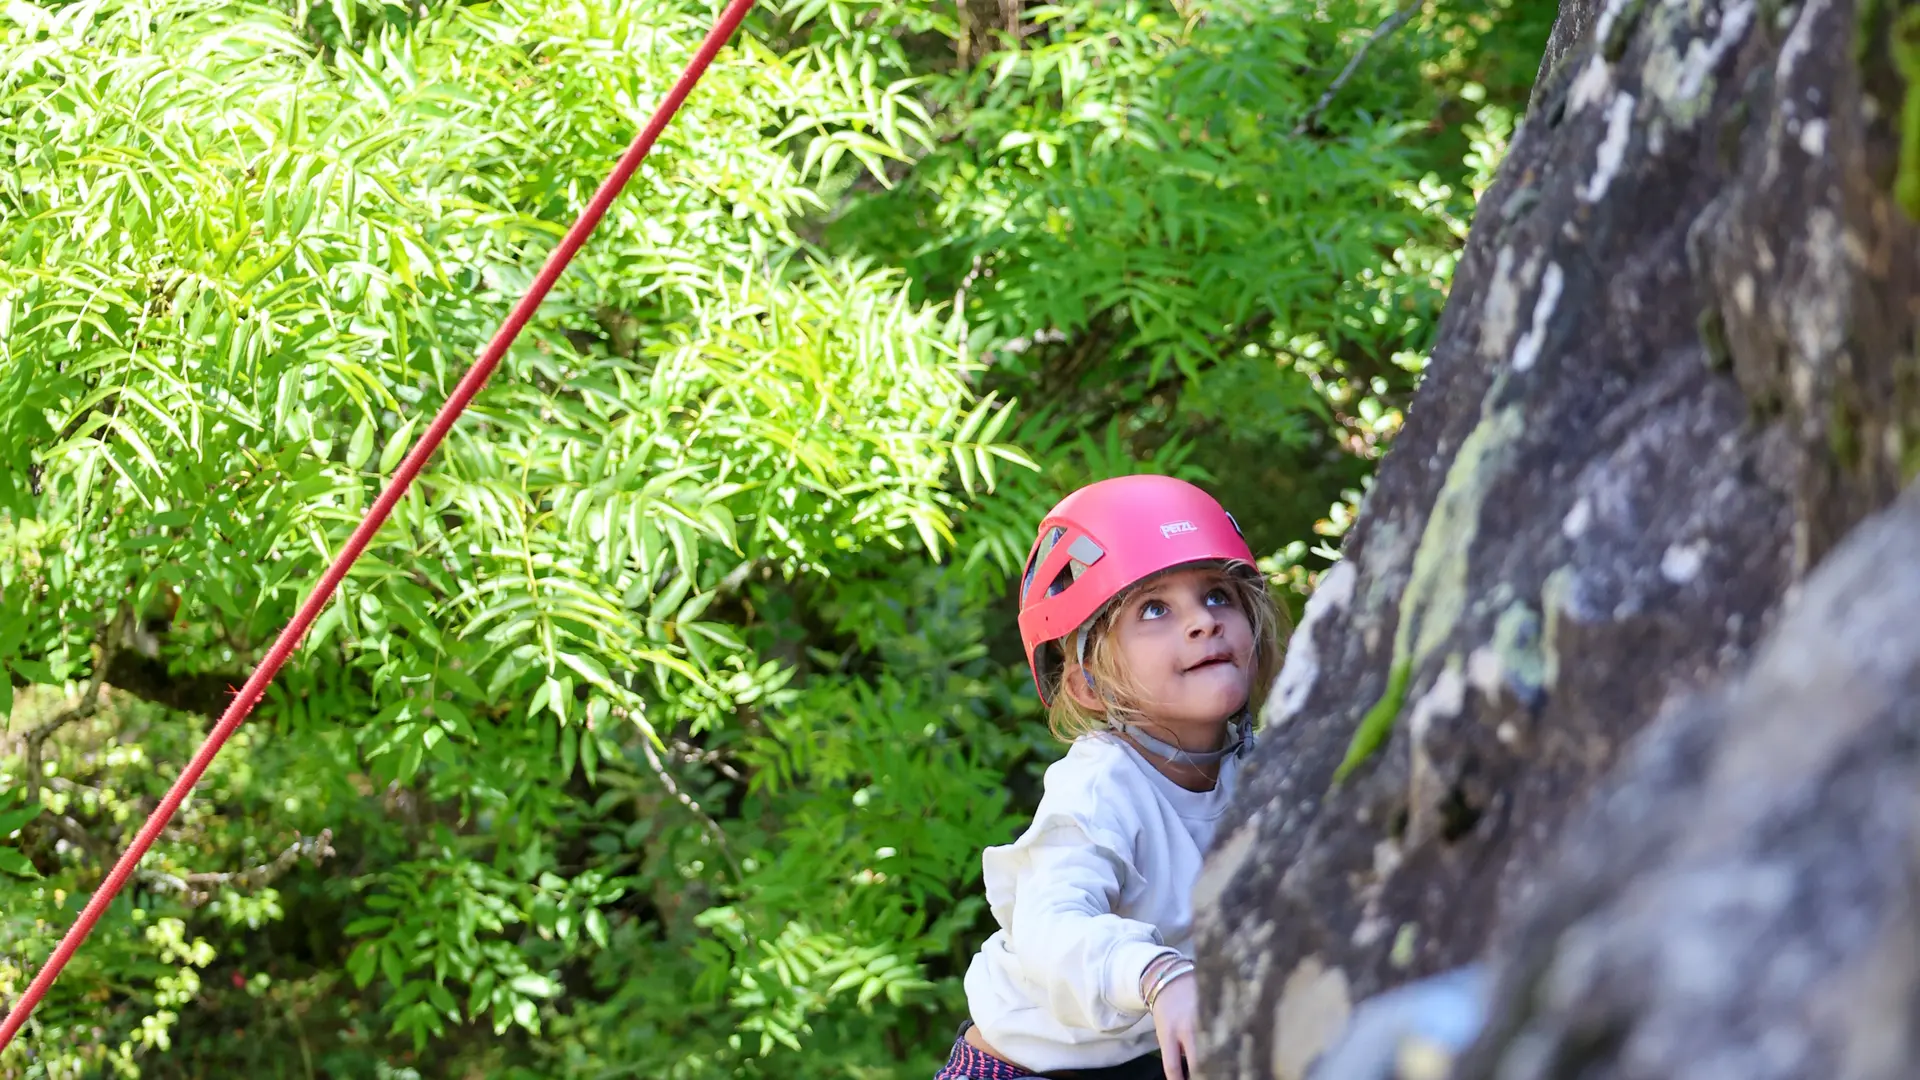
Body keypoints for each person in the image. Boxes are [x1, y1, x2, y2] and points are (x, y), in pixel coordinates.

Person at [935, 475, 1288, 1080]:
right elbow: (1052, 926)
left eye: (1217, 595)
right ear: (1088, 684)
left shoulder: (1254, 771)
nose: (1202, 622)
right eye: (1154, 608)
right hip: (1024, 1071)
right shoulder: (1101, 784)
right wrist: (1157, 973)